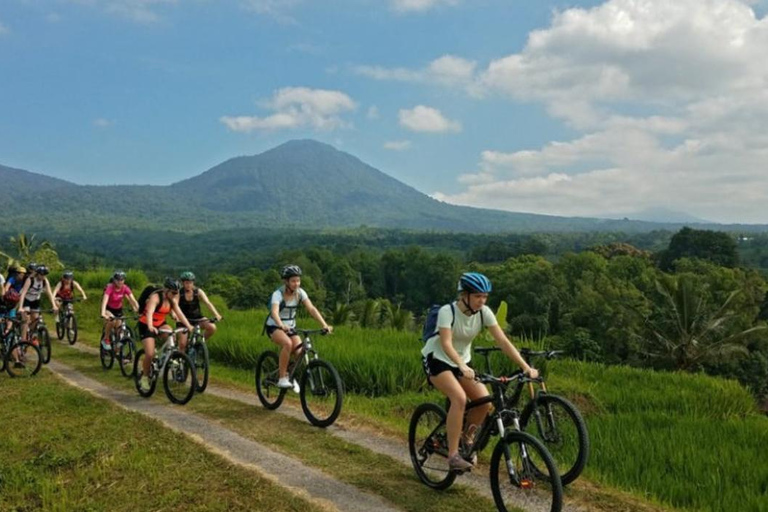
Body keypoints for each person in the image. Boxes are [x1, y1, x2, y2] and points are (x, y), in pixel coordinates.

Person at [421, 272, 539, 472]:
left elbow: (502, 341)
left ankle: (466, 441)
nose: (481, 301)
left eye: (484, 297)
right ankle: (453, 456)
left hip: (462, 362)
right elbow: (446, 343)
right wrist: (461, 366)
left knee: (484, 402)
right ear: (464, 295)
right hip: (438, 359)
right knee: (459, 398)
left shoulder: (484, 312)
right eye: (477, 296)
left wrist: (525, 367)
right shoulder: (447, 312)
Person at [265, 264, 333, 390]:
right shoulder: (278, 294)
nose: (296, 283)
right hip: (274, 326)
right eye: (293, 281)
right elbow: (274, 312)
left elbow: (312, 309)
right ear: (286, 281)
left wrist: (324, 325)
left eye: (298, 280)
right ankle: (282, 378)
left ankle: (289, 374)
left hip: (291, 328)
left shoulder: (300, 293)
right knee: (287, 344)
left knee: (299, 352)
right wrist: (281, 325)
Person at [137, 278, 193, 391]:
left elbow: (180, 313)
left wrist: (188, 326)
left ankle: (167, 358)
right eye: (173, 293)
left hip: (161, 324)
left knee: (171, 334)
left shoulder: (172, 300)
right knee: (149, 353)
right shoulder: (156, 297)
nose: (175, 295)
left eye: (176, 293)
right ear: (165, 290)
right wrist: (150, 326)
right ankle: (144, 377)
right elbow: (149, 312)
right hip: (146, 324)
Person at [174, 271, 222, 352]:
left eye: (190, 282)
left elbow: (208, 303)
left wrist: (216, 314)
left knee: (212, 327)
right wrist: (175, 315)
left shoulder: (198, 291)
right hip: (183, 320)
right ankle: (181, 362)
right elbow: (175, 305)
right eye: (186, 282)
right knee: (182, 344)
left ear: (193, 282)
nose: (189, 284)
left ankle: (198, 343)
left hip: (197, 318)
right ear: (183, 283)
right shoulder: (179, 293)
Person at [17, 264, 58, 341]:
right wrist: (20, 307)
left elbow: (49, 293)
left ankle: (31, 334)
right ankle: (23, 340)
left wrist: (54, 305)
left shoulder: (45, 281)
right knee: (26, 319)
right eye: (41, 275)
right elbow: (23, 293)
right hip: (27, 299)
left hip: (35, 300)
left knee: (35, 319)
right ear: (37, 273)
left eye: (45, 275)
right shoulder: (30, 280)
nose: (43, 276)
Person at [100, 270, 139, 350]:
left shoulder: (125, 288)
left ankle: (119, 355)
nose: (120, 281)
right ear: (114, 280)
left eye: (122, 279)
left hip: (119, 310)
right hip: (109, 309)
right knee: (112, 321)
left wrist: (138, 309)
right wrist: (103, 313)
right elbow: (105, 301)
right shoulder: (110, 288)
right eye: (118, 279)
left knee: (120, 332)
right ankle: (106, 339)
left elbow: (133, 300)